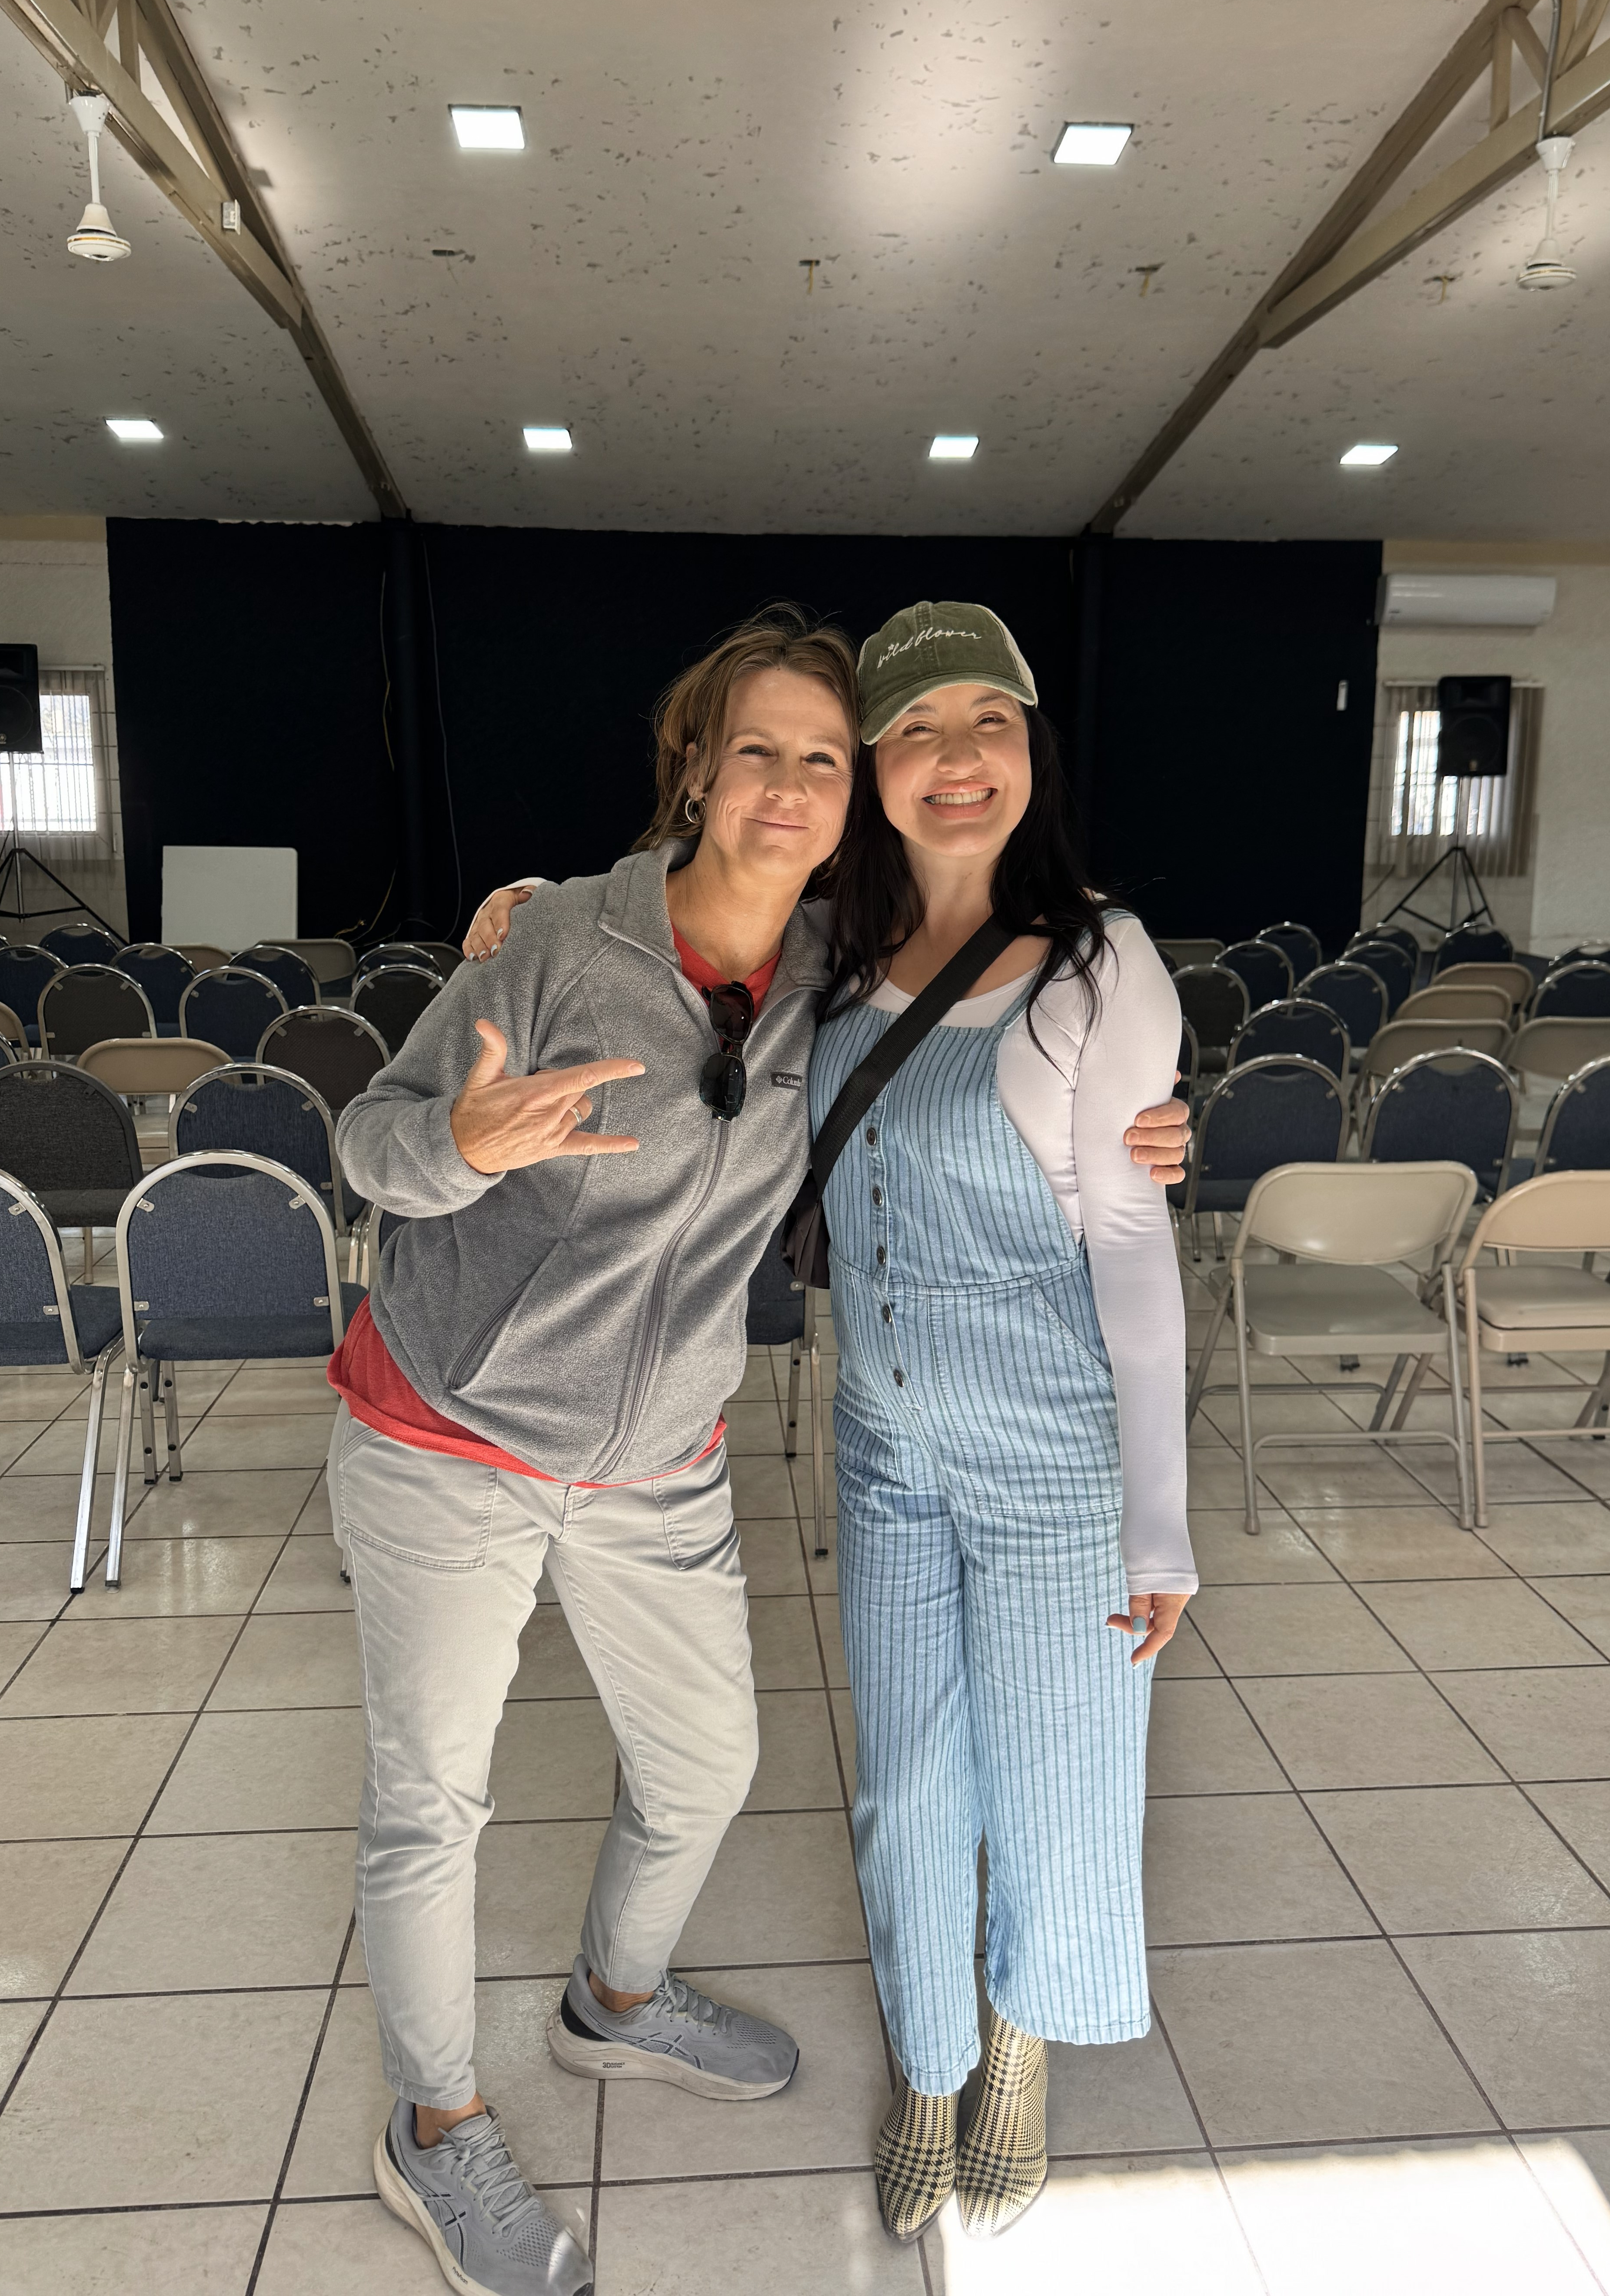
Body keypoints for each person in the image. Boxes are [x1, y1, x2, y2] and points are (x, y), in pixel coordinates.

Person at [467, 601, 1194, 2249]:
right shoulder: (828, 959)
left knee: (1061, 1766)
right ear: (870, 771)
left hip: (1052, 1447)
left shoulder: (1100, 960)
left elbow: (1133, 1244)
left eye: (988, 720)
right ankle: (930, 2061)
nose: (957, 757)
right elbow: (670, 929)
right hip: (880, 1443)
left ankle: (1019, 2041)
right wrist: (523, 908)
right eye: (915, 728)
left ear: (1030, 749)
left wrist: (1161, 1523)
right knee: (909, 1777)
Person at [331, 611, 862, 2296]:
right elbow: (370, 1142)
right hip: (447, 1432)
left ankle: (613, 2003)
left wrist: (1138, 1114)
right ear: (695, 769)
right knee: (433, 1802)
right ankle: (436, 2125)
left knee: (705, 1763)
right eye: (759, 750)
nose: (789, 787)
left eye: (824, 760)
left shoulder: (839, 981)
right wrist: (462, 1142)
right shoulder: (558, 941)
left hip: (656, 1459)